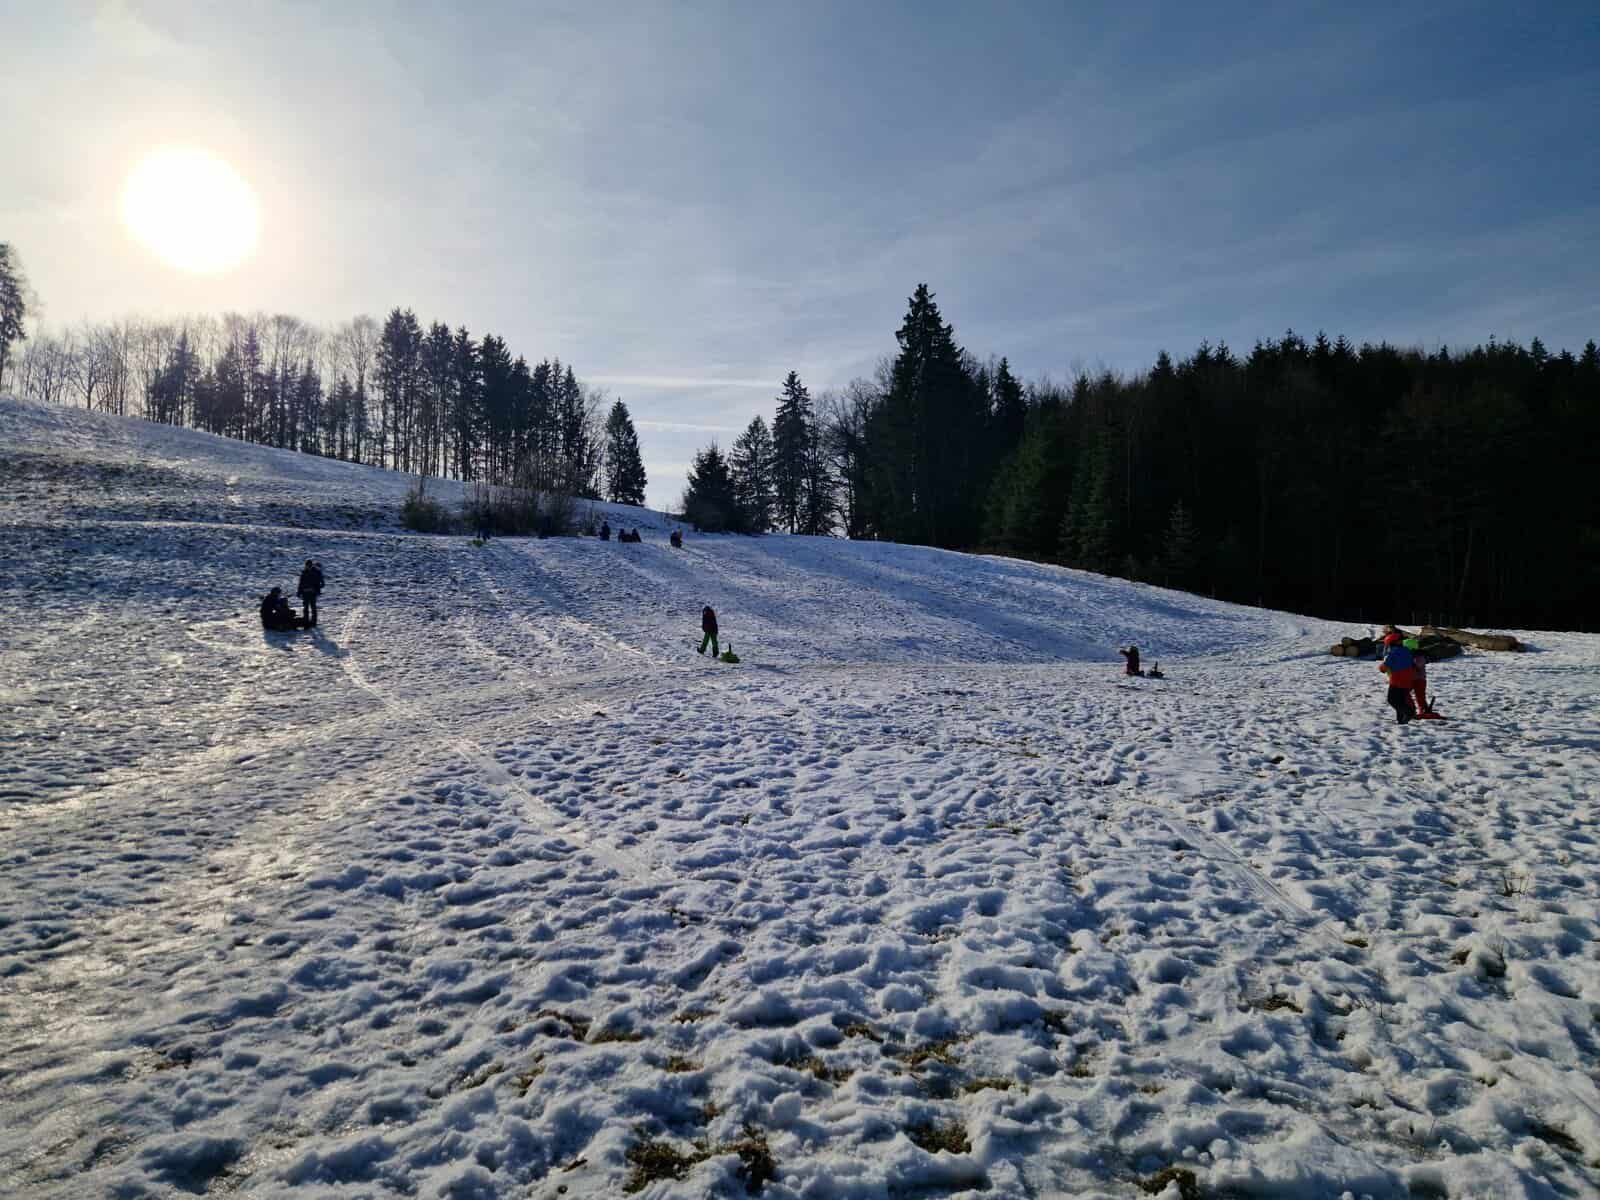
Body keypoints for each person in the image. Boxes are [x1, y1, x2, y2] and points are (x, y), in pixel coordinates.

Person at [1378, 631, 1418, 724]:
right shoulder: (1407, 651)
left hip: (1397, 680)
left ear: (1391, 644)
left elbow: (1384, 667)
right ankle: (1401, 721)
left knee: (1392, 700)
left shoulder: (1393, 653)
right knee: (1401, 700)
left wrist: (1381, 667)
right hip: (1408, 681)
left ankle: (1409, 713)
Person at [297, 559, 325, 627]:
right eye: (307, 565)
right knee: (306, 608)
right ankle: (306, 622)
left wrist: (316, 589)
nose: (308, 567)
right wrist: (299, 592)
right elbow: (301, 583)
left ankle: (313, 622)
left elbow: (322, 583)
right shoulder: (304, 572)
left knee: (313, 607)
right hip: (305, 593)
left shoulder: (317, 572)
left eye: (309, 565)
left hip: (312, 593)